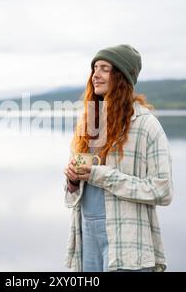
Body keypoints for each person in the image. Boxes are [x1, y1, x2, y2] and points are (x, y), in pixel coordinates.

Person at [63, 44, 173, 272]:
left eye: (104, 68)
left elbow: (163, 191)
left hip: (127, 246)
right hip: (87, 244)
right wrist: (73, 181)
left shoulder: (146, 125)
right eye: (94, 68)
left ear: (121, 77)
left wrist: (101, 175)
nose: (96, 74)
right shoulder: (88, 124)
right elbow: (74, 196)